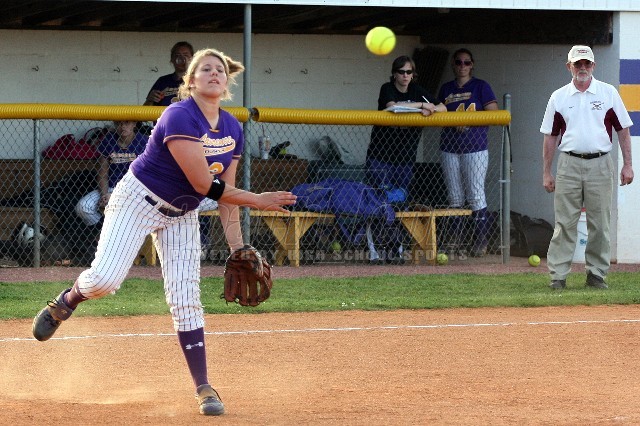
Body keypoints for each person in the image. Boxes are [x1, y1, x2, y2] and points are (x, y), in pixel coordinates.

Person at [32, 48, 297, 416]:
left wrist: (238, 247)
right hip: (137, 201)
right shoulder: (179, 115)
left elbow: (227, 196)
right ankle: (67, 301)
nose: (214, 73)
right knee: (104, 280)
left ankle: (204, 387)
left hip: (181, 213)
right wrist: (259, 200)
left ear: (226, 82)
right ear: (191, 81)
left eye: (220, 69)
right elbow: (205, 184)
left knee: (186, 299)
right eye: (205, 68)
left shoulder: (232, 127)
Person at [540, 45, 633, 290]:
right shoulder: (558, 97)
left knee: (600, 223)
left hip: (601, 163)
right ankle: (558, 276)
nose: (582, 68)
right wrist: (547, 172)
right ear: (568, 66)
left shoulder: (608, 93)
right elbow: (550, 136)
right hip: (568, 163)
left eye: (586, 63)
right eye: (577, 64)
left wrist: (628, 165)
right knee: (564, 223)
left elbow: (623, 130)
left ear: (594, 65)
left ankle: (596, 275)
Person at [366, 55, 446, 263]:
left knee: (400, 203)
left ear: (413, 74)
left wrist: (431, 108)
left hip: (405, 159)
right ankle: (375, 251)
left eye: (409, 72)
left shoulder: (418, 89)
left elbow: (443, 108)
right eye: (401, 72)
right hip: (381, 157)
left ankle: (397, 248)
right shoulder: (387, 88)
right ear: (394, 74)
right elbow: (393, 107)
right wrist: (421, 106)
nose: (405, 76)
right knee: (378, 202)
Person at [437, 48, 498, 257]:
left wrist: (468, 121)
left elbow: (493, 113)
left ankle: (480, 241)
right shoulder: (446, 88)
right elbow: (437, 112)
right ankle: (455, 238)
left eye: (467, 62)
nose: (462, 66)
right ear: (453, 65)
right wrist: (452, 121)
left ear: (472, 65)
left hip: (475, 147)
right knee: (454, 196)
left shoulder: (481, 86)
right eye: (458, 62)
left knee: (475, 194)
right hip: (449, 147)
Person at [75, 120, 147, 236]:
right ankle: (103, 232)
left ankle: (115, 235)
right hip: (110, 187)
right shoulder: (108, 140)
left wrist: (115, 196)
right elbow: (103, 174)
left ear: (134, 124)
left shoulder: (144, 141)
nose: (122, 126)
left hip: (134, 189)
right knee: (83, 207)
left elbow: (144, 176)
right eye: (118, 123)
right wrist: (104, 195)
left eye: (127, 123)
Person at [143, 41, 194, 106]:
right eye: (177, 55)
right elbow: (145, 109)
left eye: (185, 55)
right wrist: (150, 100)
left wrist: (189, 69)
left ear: (192, 59)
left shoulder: (196, 81)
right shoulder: (162, 81)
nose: (181, 58)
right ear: (172, 59)